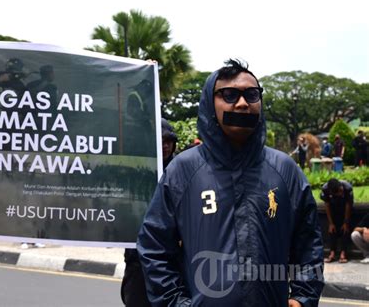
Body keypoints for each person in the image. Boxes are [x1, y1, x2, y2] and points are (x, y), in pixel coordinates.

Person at [137, 59, 324, 307]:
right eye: (229, 95)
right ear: (209, 103)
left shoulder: (284, 170)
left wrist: (302, 297)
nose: (243, 103)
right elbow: (154, 246)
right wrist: (176, 303)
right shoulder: (183, 170)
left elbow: (309, 242)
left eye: (251, 94)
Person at [121, 118, 178, 307]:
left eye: (169, 142)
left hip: (171, 257)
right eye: (160, 142)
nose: (165, 147)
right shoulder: (134, 169)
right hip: (139, 257)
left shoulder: (180, 171)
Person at [321, 178, 353, 264]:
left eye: (341, 190)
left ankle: (343, 253)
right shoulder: (325, 190)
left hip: (344, 210)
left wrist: (346, 222)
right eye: (339, 192)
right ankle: (332, 253)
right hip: (333, 209)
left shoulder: (347, 188)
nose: (341, 192)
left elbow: (348, 205)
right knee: (332, 229)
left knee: (345, 229)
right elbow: (327, 205)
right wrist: (331, 223)